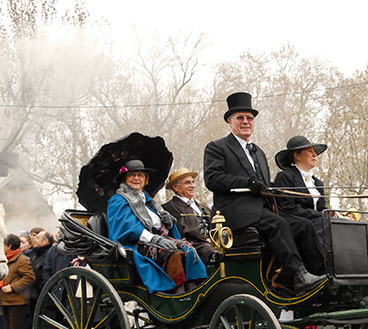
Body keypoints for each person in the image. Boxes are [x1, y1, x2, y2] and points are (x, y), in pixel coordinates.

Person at [203, 92, 325, 294]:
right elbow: (212, 179)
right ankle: (299, 276)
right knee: (279, 224)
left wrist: (274, 188)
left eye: (249, 118)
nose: (245, 122)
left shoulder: (258, 152)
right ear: (229, 121)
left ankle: (319, 273)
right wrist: (247, 183)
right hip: (235, 210)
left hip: (262, 209)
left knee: (303, 225)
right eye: (240, 118)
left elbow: (262, 184)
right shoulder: (218, 147)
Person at [107, 159, 207, 294]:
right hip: (135, 245)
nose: (137, 178)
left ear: (145, 179)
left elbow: (159, 225)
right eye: (132, 175)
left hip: (157, 239)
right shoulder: (118, 200)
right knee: (175, 254)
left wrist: (167, 221)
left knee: (188, 250)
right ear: (125, 179)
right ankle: (177, 295)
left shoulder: (149, 202)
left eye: (140, 175)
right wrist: (154, 239)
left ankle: (193, 290)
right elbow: (127, 228)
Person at [273, 135, 329, 242]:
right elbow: (287, 207)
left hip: (320, 223)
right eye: (309, 151)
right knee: (326, 224)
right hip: (298, 225)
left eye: (315, 151)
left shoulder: (317, 183)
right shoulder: (285, 177)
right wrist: (318, 215)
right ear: (297, 156)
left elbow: (322, 208)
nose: (314, 155)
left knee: (342, 223)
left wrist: (329, 213)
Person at [161, 167, 214, 264]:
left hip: (213, 242)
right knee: (214, 253)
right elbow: (182, 230)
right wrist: (206, 239)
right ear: (175, 187)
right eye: (187, 183)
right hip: (193, 245)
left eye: (193, 182)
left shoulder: (202, 206)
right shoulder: (168, 208)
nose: (193, 186)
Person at [1, 234, 35, 329]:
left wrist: (13, 287)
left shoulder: (22, 260)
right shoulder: (7, 260)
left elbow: (29, 277)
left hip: (17, 300)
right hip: (6, 300)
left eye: (4, 245)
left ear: (9, 246)